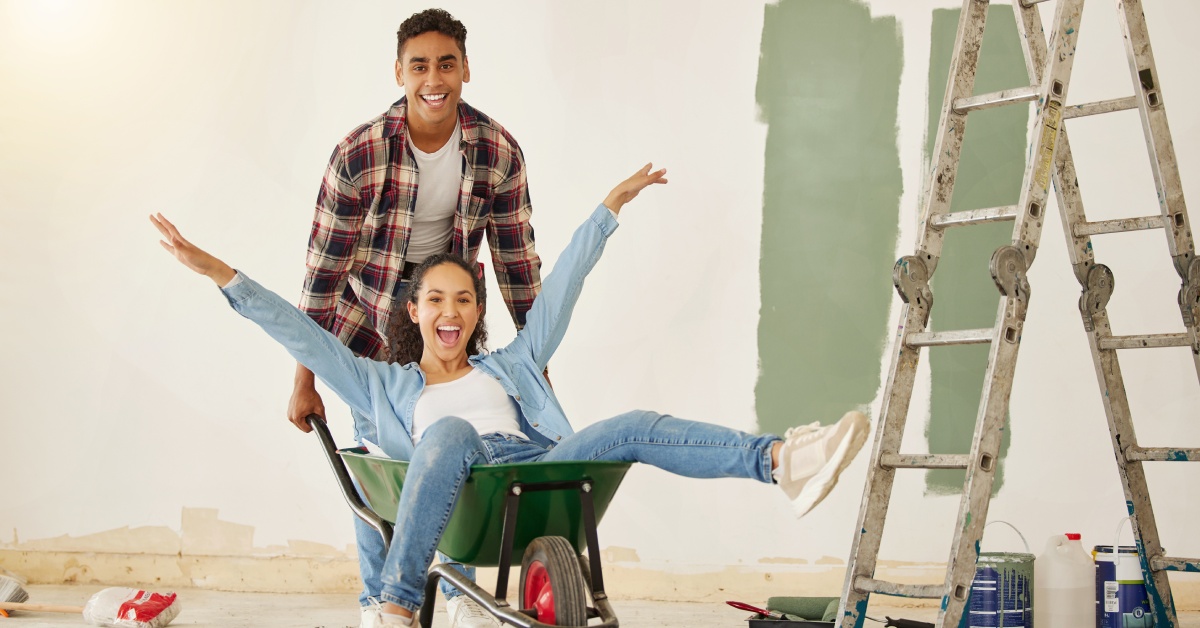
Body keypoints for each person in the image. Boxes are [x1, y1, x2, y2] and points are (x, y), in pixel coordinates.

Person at [150, 164, 869, 627]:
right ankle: (399, 604)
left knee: (634, 423)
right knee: (453, 436)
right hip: (461, 498)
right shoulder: (381, 385)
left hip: (535, 472)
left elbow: (560, 293)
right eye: (435, 298)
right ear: (414, 312)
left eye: (463, 298)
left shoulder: (512, 364)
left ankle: (781, 461)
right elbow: (301, 335)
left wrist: (607, 211)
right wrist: (216, 270)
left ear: (474, 312)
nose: (450, 311)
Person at [292, 9, 542, 626]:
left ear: (465, 69)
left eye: (447, 64)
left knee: (452, 458)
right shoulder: (359, 154)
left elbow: (517, 265)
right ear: (399, 73)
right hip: (372, 330)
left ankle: (455, 597)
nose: (435, 79)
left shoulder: (497, 150)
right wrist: (305, 379)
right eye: (420, 66)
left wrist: (538, 371)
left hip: (451, 326)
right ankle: (381, 603)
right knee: (386, 475)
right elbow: (323, 274)